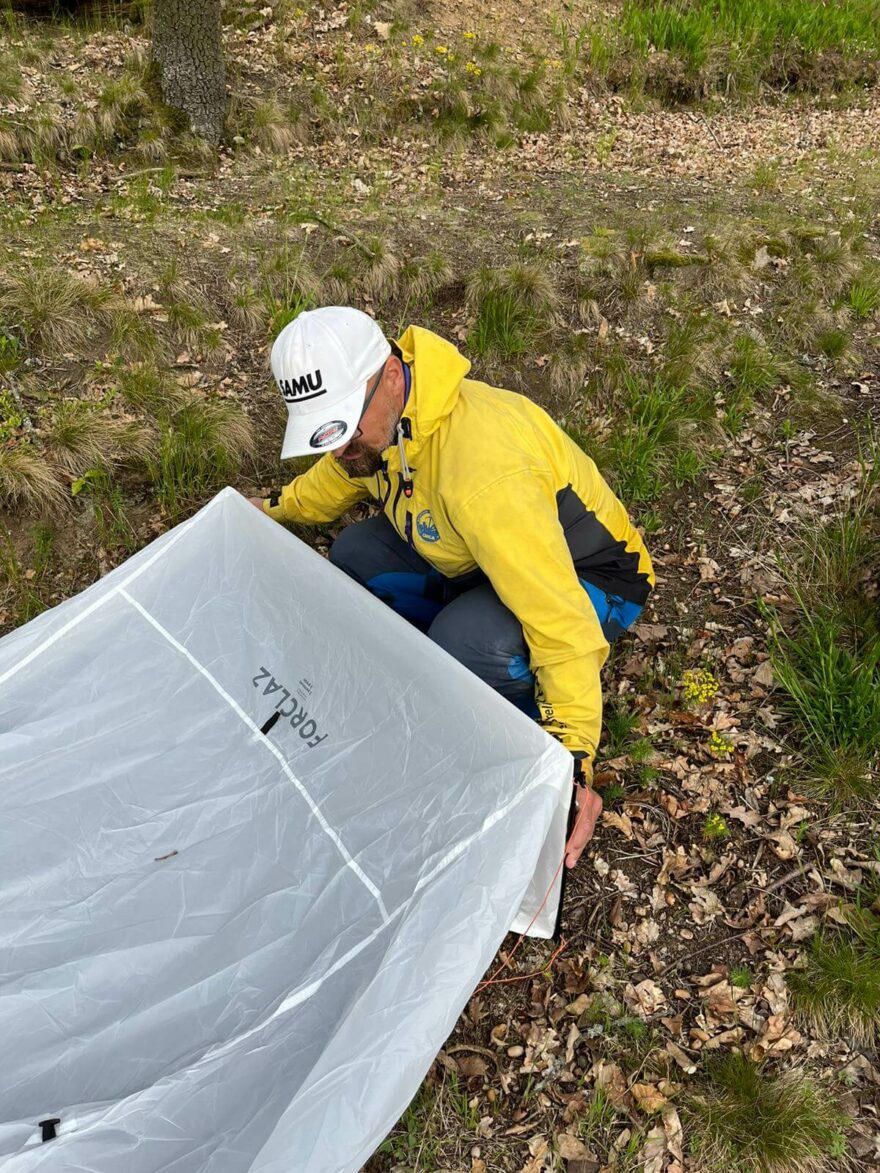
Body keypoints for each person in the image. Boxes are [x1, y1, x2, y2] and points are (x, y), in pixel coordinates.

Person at [249, 306, 654, 868]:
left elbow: (561, 621)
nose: (338, 449)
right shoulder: (387, 419)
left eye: (344, 426)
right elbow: (337, 477)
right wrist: (269, 509)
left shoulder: (484, 468)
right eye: (323, 432)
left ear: (393, 376)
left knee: (465, 643)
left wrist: (575, 762)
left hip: (594, 577)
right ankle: (445, 660)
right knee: (356, 554)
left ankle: (514, 727)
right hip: (477, 552)